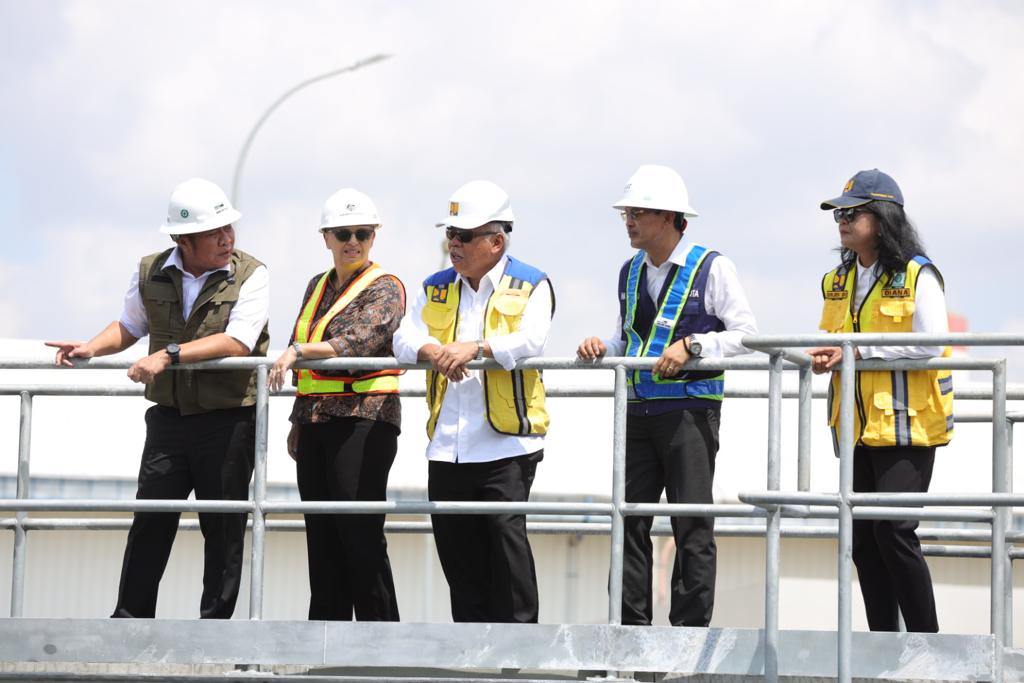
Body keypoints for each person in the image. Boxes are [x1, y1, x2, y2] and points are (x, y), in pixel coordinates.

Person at [46, 178, 269, 618]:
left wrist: (168, 356)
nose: (228, 239)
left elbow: (238, 342)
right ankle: (129, 622)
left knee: (223, 528)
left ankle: (214, 632)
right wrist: (91, 347)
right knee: (151, 519)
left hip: (228, 421)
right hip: (169, 418)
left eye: (230, 228)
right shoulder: (150, 270)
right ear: (182, 239)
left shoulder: (253, 273)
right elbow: (130, 325)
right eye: (215, 231)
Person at [577, 164, 757, 627]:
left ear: (670, 217)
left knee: (691, 523)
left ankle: (688, 639)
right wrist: (603, 347)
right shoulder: (630, 271)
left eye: (637, 212)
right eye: (626, 213)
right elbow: (628, 338)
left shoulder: (714, 268)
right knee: (628, 521)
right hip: (638, 412)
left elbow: (746, 335)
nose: (629, 221)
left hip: (691, 413)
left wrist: (695, 346)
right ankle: (629, 633)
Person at [392, 180, 554, 623]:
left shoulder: (532, 283)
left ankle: (520, 650)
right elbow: (403, 337)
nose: (454, 244)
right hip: (448, 446)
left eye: (464, 236)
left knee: (507, 550)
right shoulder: (435, 286)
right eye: (451, 235)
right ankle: (471, 653)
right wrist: (430, 350)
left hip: (507, 445)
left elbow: (532, 339)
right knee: (458, 556)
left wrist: (476, 348)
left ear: (496, 240)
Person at [809, 169, 953, 633]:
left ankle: (928, 648)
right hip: (855, 426)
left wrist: (857, 351)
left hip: (908, 425)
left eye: (853, 212)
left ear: (883, 216)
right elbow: (832, 338)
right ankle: (882, 647)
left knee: (894, 531)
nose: (842, 221)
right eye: (839, 213)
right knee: (865, 539)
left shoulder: (917, 273)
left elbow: (932, 345)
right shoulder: (837, 278)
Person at [268, 188, 404, 621]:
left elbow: (359, 341)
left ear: (374, 235)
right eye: (344, 232)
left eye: (363, 232)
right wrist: (297, 422)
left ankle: (381, 643)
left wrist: (297, 353)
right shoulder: (317, 285)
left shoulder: (386, 287)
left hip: (365, 420)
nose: (354, 241)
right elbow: (302, 337)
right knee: (321, 535)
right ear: (326, 236)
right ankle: (324, 642)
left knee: (359, 534)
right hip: (315, 421)